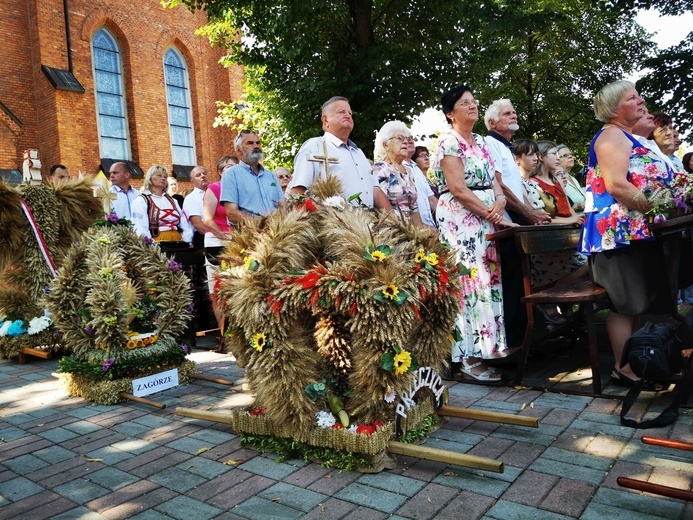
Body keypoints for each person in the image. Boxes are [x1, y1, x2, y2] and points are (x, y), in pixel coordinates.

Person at [579, 80, 677, 387]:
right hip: (617, 233)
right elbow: (617, 185)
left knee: (636, 303)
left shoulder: (628, 137)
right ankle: (624, 368)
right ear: (615, 108)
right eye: (632, 98)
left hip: (634, 231)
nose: (640, 101)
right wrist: (654, 210)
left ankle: (640, 360)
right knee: (623, 304)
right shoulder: (611, 137)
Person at [433, 84, 515, 382]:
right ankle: (466, 357)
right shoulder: (447, 142)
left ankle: (487, 348)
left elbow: (496, 181)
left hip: (486, 214)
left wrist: (501, 202)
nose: (473, 106)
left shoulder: (480, 141)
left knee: (488, 279)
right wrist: (490, 211)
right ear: (450, 114)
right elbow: (457, 188)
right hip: (461, 216)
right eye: (465, 103)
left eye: (474, 101)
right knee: (469, 281)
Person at [290, 96, 391, 210]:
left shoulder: (359, 153)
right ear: (326, 120)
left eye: (350, 113)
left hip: (366, 224)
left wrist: (394, 221)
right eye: (341, 112)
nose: (348, 115)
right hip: (331, 224)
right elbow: (298, 193)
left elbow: (375, 190)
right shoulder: (314, 146)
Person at [484, 99, 551, 225]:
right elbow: (498, 184)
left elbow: (515, 189)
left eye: (514, 113)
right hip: (506, 217)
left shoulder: (506, 147)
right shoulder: (490, 143)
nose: (514, 116)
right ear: (492, 123)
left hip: (517, 214)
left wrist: (532, 212)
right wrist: (528, 213)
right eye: (507, 114)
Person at [220, 130, 285, 225]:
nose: (256, 146)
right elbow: (231, 213)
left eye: (258, 143)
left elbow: (282, 205)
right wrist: (262, 224)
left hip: (277, 232)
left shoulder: (270, 176)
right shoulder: (231, 175)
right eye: (250, 143)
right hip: (249, 235)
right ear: (238, 150)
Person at [372, 121, 429, 228]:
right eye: (399, 138)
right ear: (385, 145)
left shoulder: (409, 172)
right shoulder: (381, 169)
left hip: (412, 234)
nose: (405, 142)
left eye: (406, 139)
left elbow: (414, 211)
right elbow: (382, 210)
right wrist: (405, 232)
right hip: (393, 231)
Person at [131, 165, 193, 244]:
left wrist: (187, 241)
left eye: (165, 177)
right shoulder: (141, 200)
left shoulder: (173, 201)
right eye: (159, 175)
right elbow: (139, 226)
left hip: (178, 241)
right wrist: (150, 245)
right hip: (157, 242)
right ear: (150, 178)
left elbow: (184, 223)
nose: (163, 178)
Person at [202, 178, 234, 329]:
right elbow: (207, 220)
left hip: (239, 241)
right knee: (217, 289)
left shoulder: (240, 187)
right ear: (221, 172)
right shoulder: (214, 188)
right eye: (228, 167)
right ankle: (225, 334)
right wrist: (223, 236)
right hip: (217, 240)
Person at [528, 141, 584, 225]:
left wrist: (578, 220)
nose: (558, 158)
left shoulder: (557, 181)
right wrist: (571, 220)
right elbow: (540, 219)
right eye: (554, 154)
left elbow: (570, 210)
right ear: (541, 157)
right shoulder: (533, 183)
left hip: (571, 229)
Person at [406, 142, 437, 228]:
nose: (426, 158)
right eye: (422, 156)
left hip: (431, 226)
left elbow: (432, 200)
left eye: (427, 155)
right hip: (415, 229)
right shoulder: (399, 168)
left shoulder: (416, 169)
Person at [183, 166, 211, 248]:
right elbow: (197, 224)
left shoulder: (217, 192)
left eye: (205, 173)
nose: (203, 176)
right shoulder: (191, 198)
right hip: (204, 237)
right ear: (192, 180)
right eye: (198, 175)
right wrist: (217, 235)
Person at [556, 144, 586, 211]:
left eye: (571, 154)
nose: (570, 156)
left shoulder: (573, 178)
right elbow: (561, 209)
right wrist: (585, 204)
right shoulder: (556, 180)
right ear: (557, 160)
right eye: (565, 155)